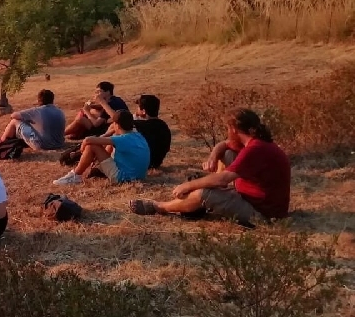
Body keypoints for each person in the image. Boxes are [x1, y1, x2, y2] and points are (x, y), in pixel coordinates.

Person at [129, 108, 290, 225]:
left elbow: (223, 179)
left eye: (227, 128)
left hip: (263, 214)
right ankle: (209, 196)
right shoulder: (254, 143)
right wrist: (213, 157)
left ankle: (159, 207)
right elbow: (223, 145)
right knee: (227, 153)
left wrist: (189, 185)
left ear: (234, 129)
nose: (227, 132)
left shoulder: (255, 149)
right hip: (253, 199)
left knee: (204, 193)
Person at [54, 110, 150, 186]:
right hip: (138, 175)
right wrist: (110, 133)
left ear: (116, 125)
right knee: (107, 144)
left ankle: (75, 175)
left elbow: (88, 140)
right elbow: (105, 140)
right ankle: (97, 167)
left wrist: (82, 150)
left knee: (92, 146)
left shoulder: (122, 139)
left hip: (124, 178)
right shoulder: (137, 135)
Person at [99, 94, 172, 170]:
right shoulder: (164, 126)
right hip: (156, 162)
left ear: (143, 111)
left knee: (116, 131)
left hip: (141, 163)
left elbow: (118, 119)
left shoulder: (139, 126)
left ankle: (102, 162)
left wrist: (102, 137)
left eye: (138, 107)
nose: (136, 109)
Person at [0, 89, 66, 150]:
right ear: (52, 100)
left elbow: (14, 115)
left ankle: (1, 143)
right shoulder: (60, 111)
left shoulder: (37, 111)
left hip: (43, 145)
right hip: (59, 144)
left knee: (14, 121)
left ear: (39, 100)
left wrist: (27, 120)